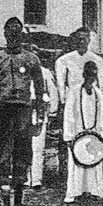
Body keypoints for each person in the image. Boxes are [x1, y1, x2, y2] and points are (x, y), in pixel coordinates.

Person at [0, 17, 48, 206]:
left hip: (23, 111)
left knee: (22, 155)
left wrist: (39, 116)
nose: (13, 35)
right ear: (4, 33)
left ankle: (19, 204)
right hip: (3, 110)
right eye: (10, 32)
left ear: (22, 34)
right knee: (2, 156)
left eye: (17, 32)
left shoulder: (31, 59)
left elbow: (39, 89)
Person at [64, 61, 103, 203]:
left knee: (94, 160)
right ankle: (74, 192)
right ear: (84, 75)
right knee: (76, 163)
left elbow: (102, 116)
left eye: (93, 75)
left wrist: (102, 136)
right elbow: (69, 114)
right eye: (88, 75)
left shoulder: (98, 93)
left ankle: (94, 191)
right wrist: (69, 135)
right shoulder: (74, 91)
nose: (91, 78)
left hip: (94, 134)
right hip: (77, 132)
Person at [28, 45, 59, 189]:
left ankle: (36, 179)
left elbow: (52, 92)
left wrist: (52, 111)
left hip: (39, 111)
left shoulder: (45, 73)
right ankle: (25, 178)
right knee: (23, 146)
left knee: (38, 147)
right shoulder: (22, 71)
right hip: (24, 112)